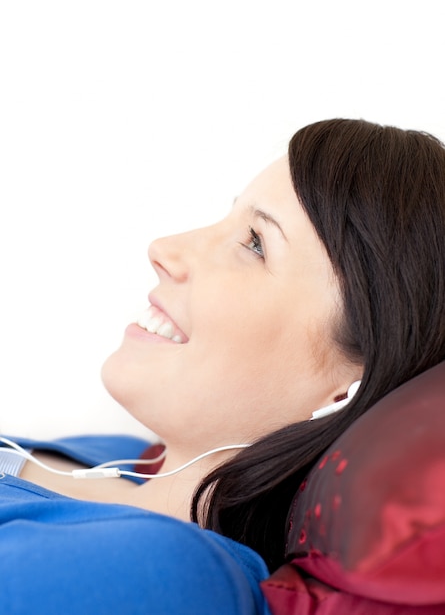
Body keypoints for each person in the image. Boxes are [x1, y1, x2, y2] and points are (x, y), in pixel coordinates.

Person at [1, 118, 444, 614]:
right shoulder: (117, 457)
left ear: (345, 391)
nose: (164, 250)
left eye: (255, 242)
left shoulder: (156, 572)